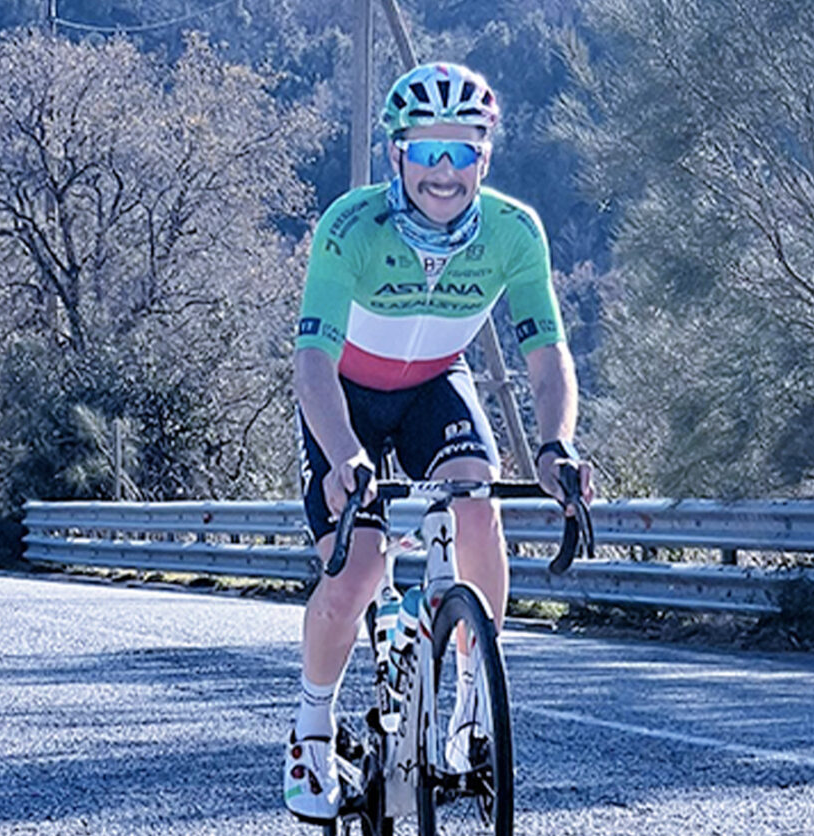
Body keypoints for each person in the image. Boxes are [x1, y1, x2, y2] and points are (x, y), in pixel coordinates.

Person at [283, 62, 593, 823]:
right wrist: (342, 453)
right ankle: (312, 726)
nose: (444, 172)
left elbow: (547, 356)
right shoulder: (352, 226)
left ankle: (471, 706)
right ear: (397, 154)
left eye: (462, 151)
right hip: (345, 397)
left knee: (478, 498)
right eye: (427, 152)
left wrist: (555, 445)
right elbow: (312, 360)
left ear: (485, 156)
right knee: (358, 572)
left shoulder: (514, 232)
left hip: (433, 385)